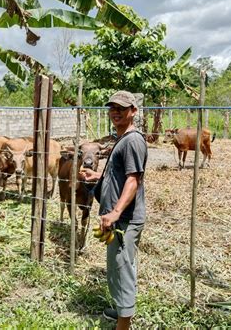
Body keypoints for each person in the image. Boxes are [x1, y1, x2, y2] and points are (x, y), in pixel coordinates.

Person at [81, 90, 147, 330]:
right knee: (115, 266)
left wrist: (116, 212)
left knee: (123, 269)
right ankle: (120, 309)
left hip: (125, 220)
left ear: (133, 111)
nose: (115, 112)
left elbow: (133, 180)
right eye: (112, 108)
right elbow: (118, 175)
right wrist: (97, 175)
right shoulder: (121, 139)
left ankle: (123, 324)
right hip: (116, 218)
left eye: (121, 108)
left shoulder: (132, 140)